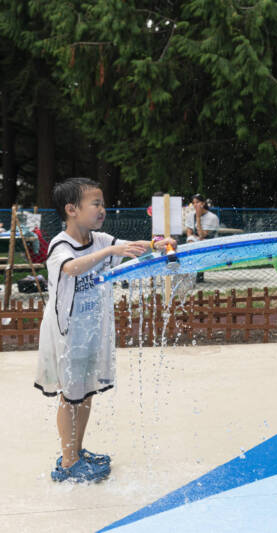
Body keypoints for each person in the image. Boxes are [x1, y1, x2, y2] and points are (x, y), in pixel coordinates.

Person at [35, 177, 175, 482]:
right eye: (95, 203)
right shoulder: (61, 244)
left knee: (85, 394)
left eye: (102, 203)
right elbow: (71, 267)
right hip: (67, 334)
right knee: (69, 397)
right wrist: (106, 254)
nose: (102, 209)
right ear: (72, 209)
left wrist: (156, 245)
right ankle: (68, 460)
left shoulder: (99, 239)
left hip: (90, 331)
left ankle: (77, 450)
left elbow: (128, 248)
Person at [184, 194, 219, 282]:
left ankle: (197, 274)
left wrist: (198, 218)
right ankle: (192, 272)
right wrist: (193, 238)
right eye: (193, 203)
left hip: (209, 242)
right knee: (191, 242)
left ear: (203, 204)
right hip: (195, 241)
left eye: (197, 202)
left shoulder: (212, 217)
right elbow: (189, 233)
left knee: (198, 245)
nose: (195, 205)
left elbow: (203, 235)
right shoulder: (190, 216)